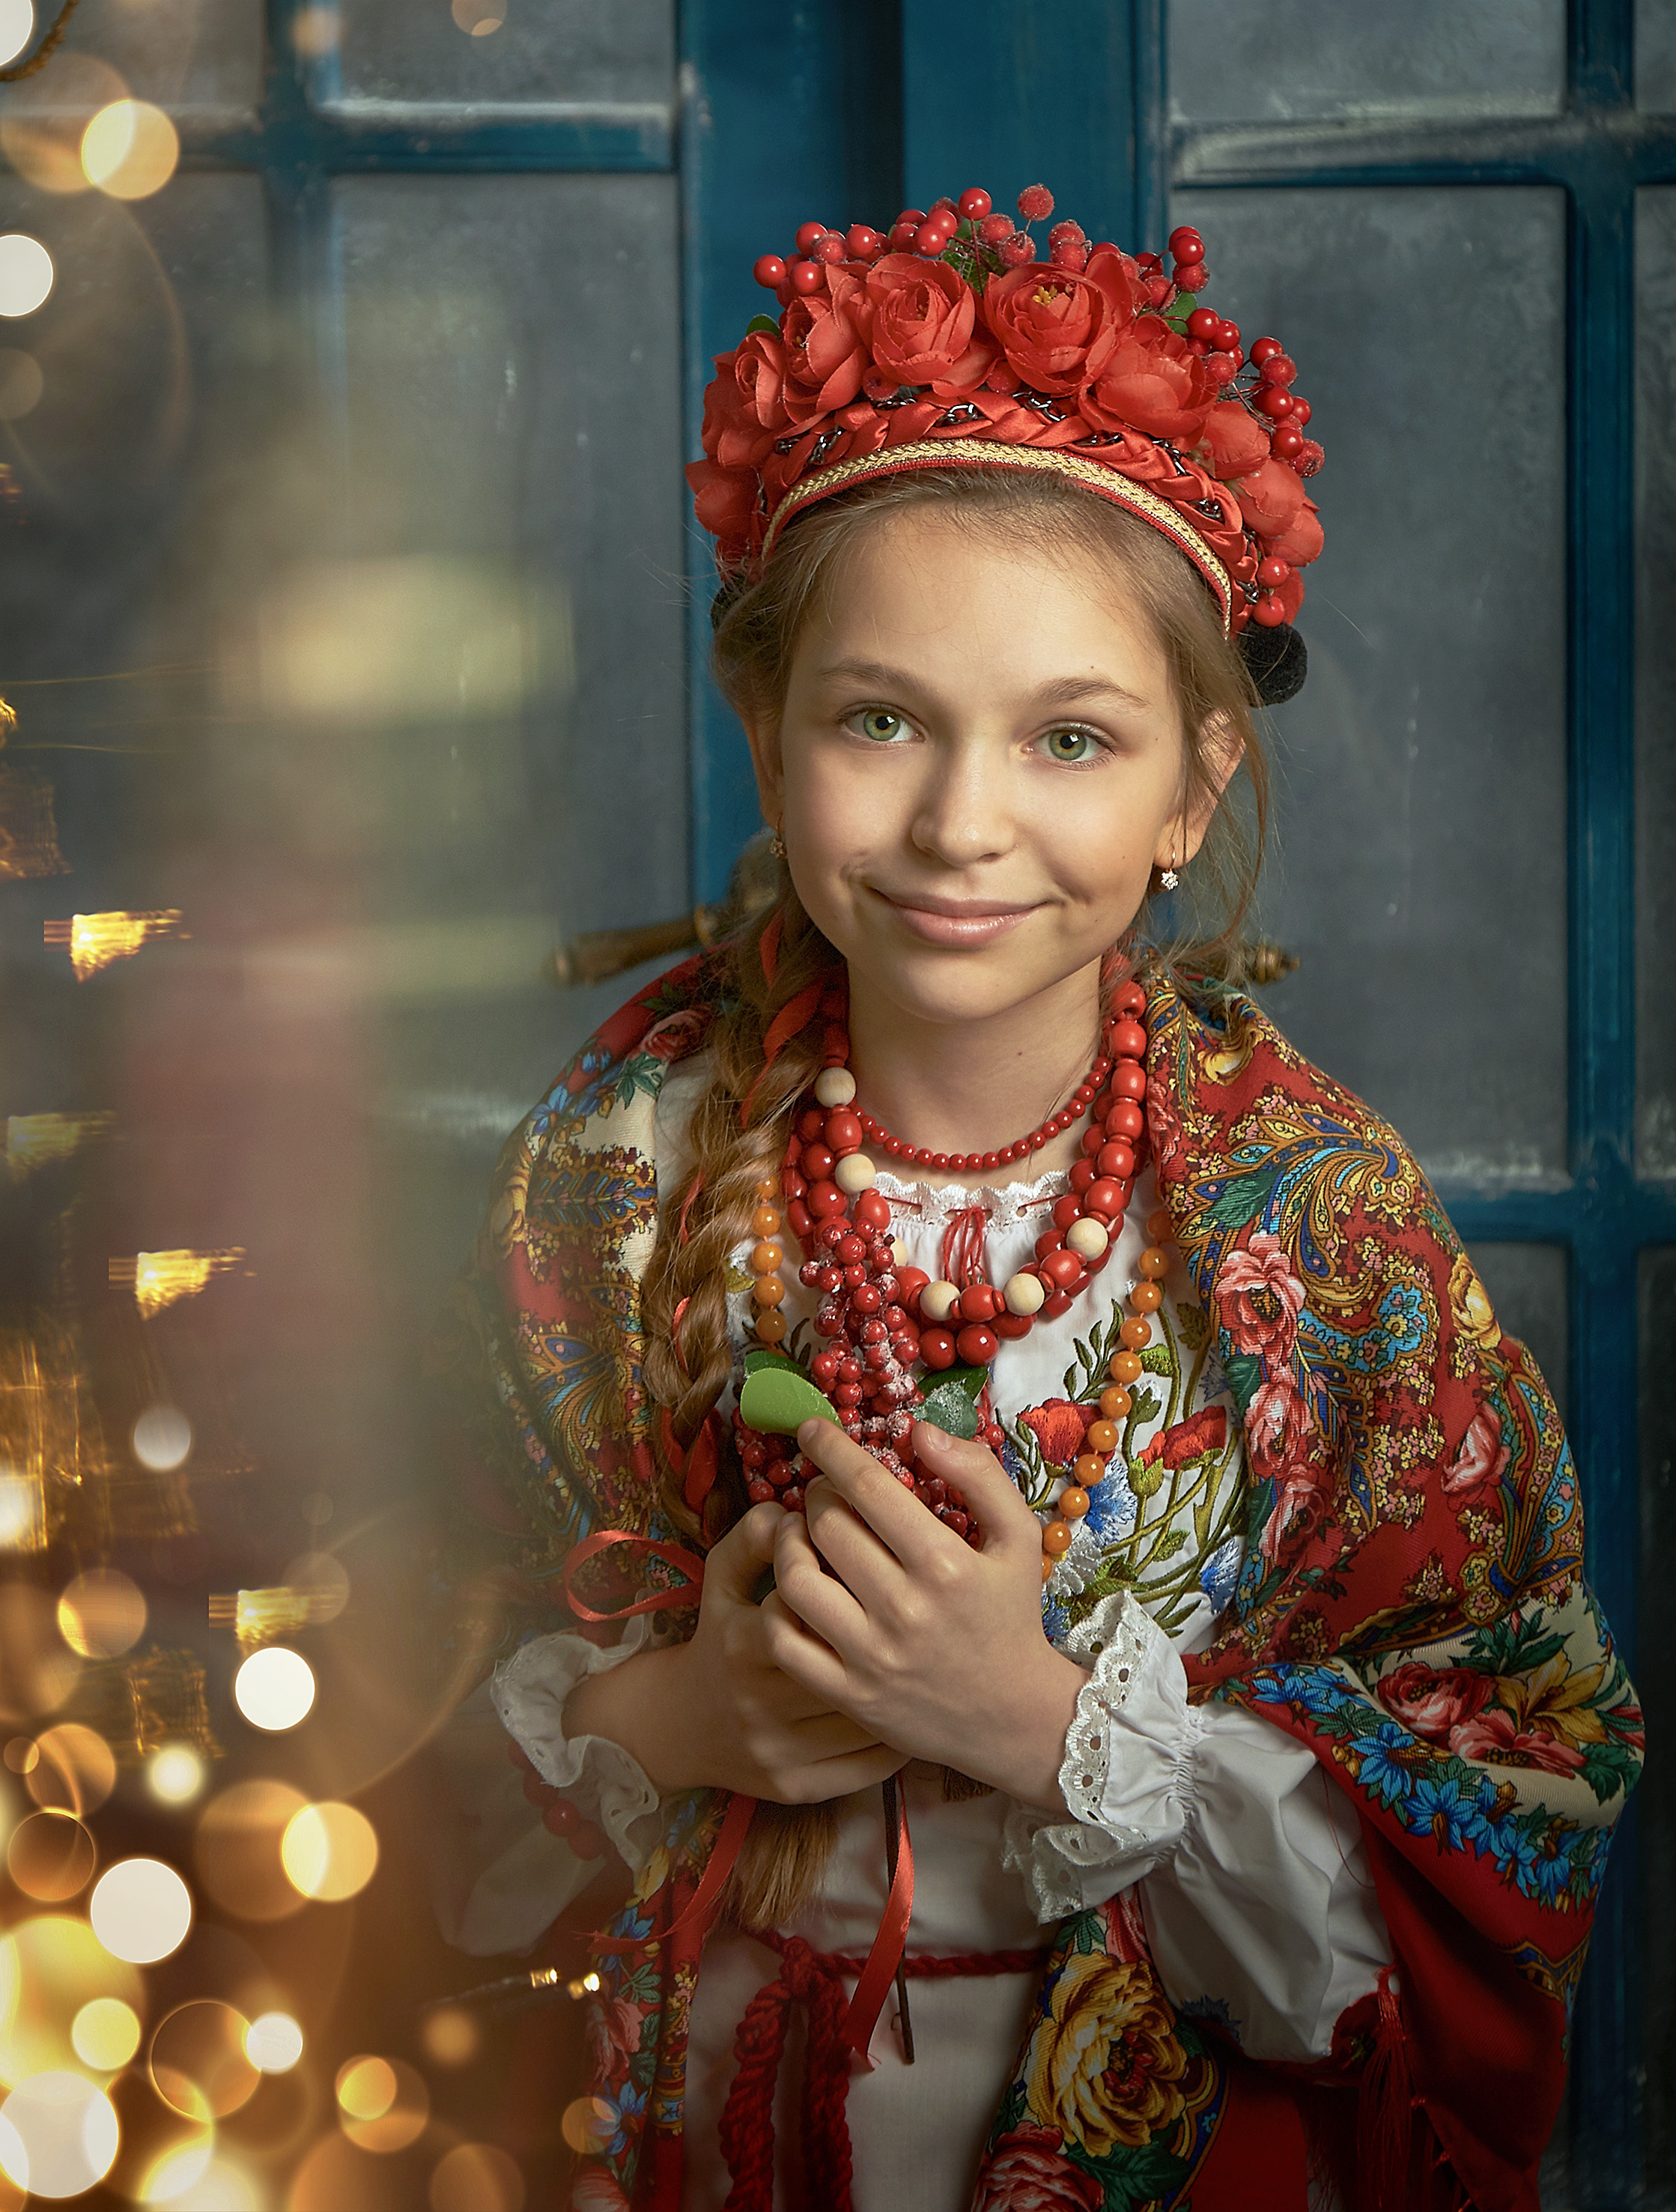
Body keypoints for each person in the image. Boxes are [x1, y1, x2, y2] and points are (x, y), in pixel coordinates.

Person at [428, 184, 1643, 2212]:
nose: (958, 822)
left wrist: (1049, 1718)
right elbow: (384, 1709)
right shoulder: (608, 1168)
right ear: (765, 725)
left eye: (1069, 739)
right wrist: (683, 1705)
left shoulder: (1310, 1222)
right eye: (878, 716)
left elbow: (1521, 1769)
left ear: (1189, 788)